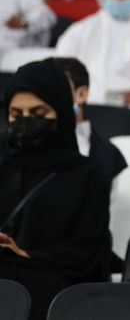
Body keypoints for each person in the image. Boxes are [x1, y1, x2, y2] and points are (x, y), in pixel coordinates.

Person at [0, 60, 111, 320]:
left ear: (61, 110)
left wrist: (27, 254)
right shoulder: (3, 166)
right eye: (16, 115)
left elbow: (88, 253)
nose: (26, 122)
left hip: (49, 291)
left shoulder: (86, 176)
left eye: (38, 114)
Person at [50, 57, 127, 197]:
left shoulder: (106, 154)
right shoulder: (21, 144)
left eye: (59, 88)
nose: (49, 97)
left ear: (82, 94)